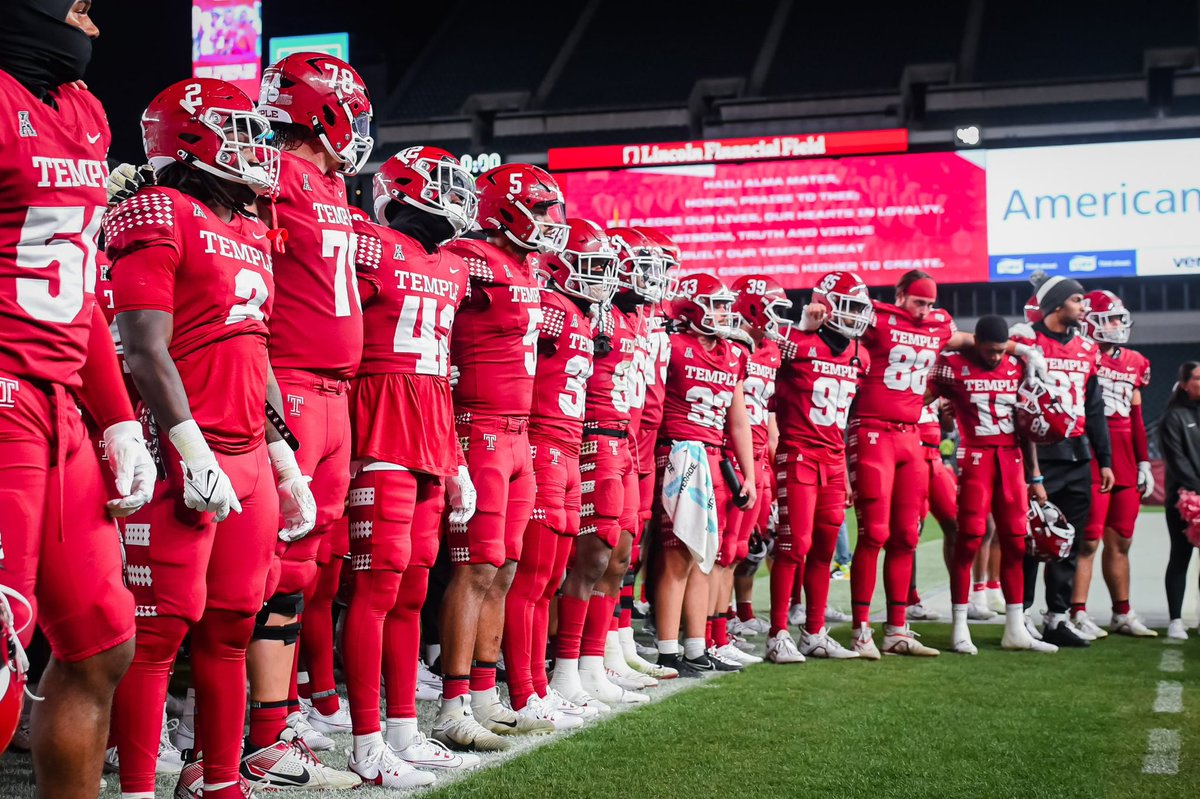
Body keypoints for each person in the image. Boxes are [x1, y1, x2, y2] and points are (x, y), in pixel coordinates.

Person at [105, 78, 332, 799]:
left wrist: (283, 455)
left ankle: (219, 779)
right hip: (181, 451)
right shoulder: (156, 208)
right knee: (158, 637)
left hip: (246, 452)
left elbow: (256, 348)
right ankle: (140, 785)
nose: (254, 148)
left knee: (234, 625)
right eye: (235, 130)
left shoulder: (248, 225)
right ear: (192, 136)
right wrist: (188, 444)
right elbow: (142, 348)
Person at [0, 2, 153, 793]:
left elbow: (79, 288)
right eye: (78, 8)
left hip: (58, 405)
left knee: (100, 640)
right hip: (2, 400)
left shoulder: (84, 112)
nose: (91, 28)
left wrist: (120, 419)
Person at [250, 53, 374, 777]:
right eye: (351, 109)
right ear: (323, 109)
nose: (359, 126)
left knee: (302, 568)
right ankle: (235, 732)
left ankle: (273, 721)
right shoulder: (273, 175)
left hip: (334, 393)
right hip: (290, 387)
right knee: (264, 568)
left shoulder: (328, 181)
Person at [342, 146, 481, 786]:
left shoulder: (453, 267)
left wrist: (457, 460)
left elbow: (444, 371)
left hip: (430, 430)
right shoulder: (366, 242)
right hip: (376, 424)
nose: (456, 199)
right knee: (374, 591)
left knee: (412, 592)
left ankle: (402, 729)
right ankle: (365, 740)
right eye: (446, 186)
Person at [438, 163, 564, 746]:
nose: (548, 223)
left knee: (507, 566)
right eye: (540, 210)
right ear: (507, 209)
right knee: (477, 565)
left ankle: (486, 694)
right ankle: (453, 703)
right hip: (478, 426)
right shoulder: (467, 256)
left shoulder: (527, 266)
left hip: (519, 434)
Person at [504, 217, 614, 728]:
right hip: (541, 442)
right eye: (591, 267)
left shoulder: (575, 312)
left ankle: (540, 685)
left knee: (549, 578)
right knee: (532, 577)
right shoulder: (547, 306)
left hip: (568, 445)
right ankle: (524, 692)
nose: (601, 278)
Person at [549, 227, 655, 708]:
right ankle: (568, 666)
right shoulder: (578, 312)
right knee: (588, 559)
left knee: (618, 558)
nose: (607, 279)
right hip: (589, 435)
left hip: (623, 443)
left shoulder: (625, 316)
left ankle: (596, 661)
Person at [847, 271, 970, 657]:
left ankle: (897, 629)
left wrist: (1017, 348)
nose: (925, 310)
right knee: (875, 533)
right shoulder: (876, 318)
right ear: (900, 295)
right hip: (873, 431)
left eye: (930, 303)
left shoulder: (937, 324)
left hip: (911, 434)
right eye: (919, 302)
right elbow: (842, 327)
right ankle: (860, 629)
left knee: (906, 535)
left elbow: (964, 340)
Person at [930, 316, 1057, 654]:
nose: (996, 357)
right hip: (975, 457)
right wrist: (938, 414)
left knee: (1016, 542)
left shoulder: (1017, 367)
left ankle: (1015, 628)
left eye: (1001, 351)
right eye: (990, 350)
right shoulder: (954, 365)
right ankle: (959, 625)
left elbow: (1026, 427)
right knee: (968, 538)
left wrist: (1036, 476)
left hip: (1012, 460)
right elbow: (919, 395)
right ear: (977, 344)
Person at [653, 274, 756, 676]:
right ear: (693, 306)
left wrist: (746, 473)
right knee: (678, 557)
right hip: (681, 453)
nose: (724, 314)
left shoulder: (732, 353)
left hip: (713, 457)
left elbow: (739, 421)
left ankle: (695, 648)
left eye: (725, 306)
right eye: (715, 305)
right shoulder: (674, 347)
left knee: (705, 557)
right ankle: (666, 649)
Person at [769, 272, 872, 662]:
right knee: (794, 546)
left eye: (861, 308)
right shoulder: (796, 343)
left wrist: (845, 469)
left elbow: (842, 421)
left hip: (831, 460)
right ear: (823, 305)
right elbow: (764, 356)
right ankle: (778, 632)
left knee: (825, 550)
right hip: (797, 453)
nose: (856, 316)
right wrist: (798, 327)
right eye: (851, 307)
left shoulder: (857, 355)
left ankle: (814, 631)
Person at [1011, 273, 1114, 648]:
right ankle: (1019, 613)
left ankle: (1056, 617)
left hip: (1077, 453)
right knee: (1030, 538)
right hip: (1039, 454)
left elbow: (1095, 408)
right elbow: (1017, 406)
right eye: (1078, 300)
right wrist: (1030, 468)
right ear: (1057, 305)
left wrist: (1104, 459)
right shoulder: (1026, 339)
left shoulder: (1087, 348)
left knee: (1065, 539)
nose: (1084, 306)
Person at [710, 274, 788, 665]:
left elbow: (768, 412)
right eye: (772, 308)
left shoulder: (771, 350)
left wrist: (772, 458)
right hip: (727, 454)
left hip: (756, 456)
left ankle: (721, 628)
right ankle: (709, 632)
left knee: (741, 548)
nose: (777, 318)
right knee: (720, 550)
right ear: (753, 305)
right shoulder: (729, 345)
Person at [1069, 290, 1156, 638]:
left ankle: (1122, 611)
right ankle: (1075, 611)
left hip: (1124, 455)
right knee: (1088, 541)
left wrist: (1144, 462)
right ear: (1089, 322)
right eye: (1110, 319)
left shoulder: (1136, 362)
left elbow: (1136, 417)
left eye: (1120, 318)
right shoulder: (1081, 356)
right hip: (1091, 452)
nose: (1118, 326)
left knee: (1121, 540)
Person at [1160, 361, 1200, 640]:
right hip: (1184, 500)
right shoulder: (1173, 417)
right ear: (1184, 384)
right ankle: (1175, 619)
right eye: (1197, 378)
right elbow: (1177, 462)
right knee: (1180, 556)